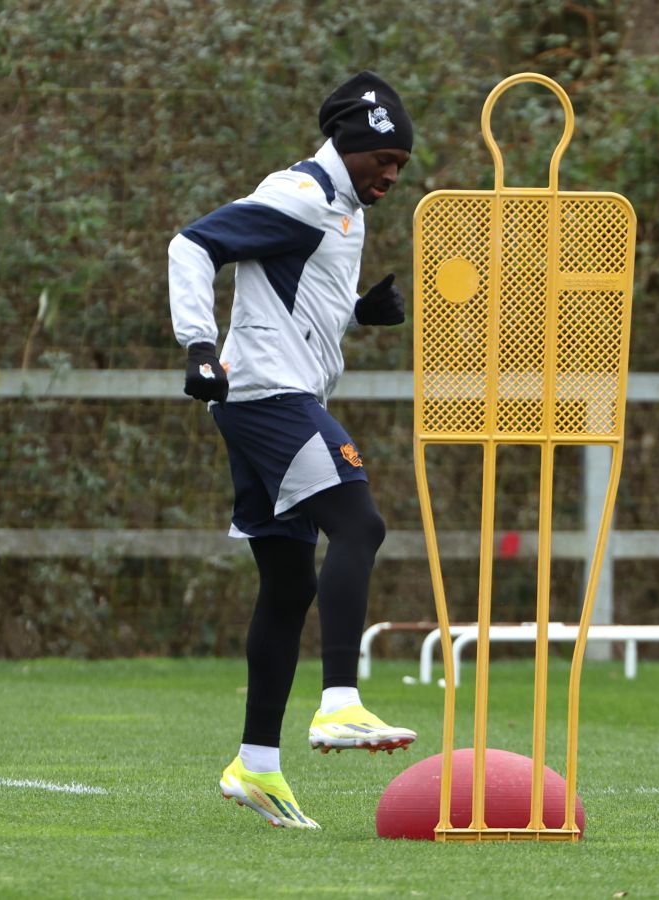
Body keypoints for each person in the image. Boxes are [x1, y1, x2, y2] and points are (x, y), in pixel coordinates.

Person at [168, 72, 417, 829]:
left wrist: (356, 311)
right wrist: (198, 345)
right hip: (270, 397)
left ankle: (257, 767)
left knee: (286, 585)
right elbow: (193, 244)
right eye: (384, 158)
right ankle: (339, 701)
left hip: (268, 401)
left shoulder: (344, 208)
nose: (392, 174)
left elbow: (291, 286)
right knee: (360, 523)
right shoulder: (302, 195)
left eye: (402, 164)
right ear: (348, 143)